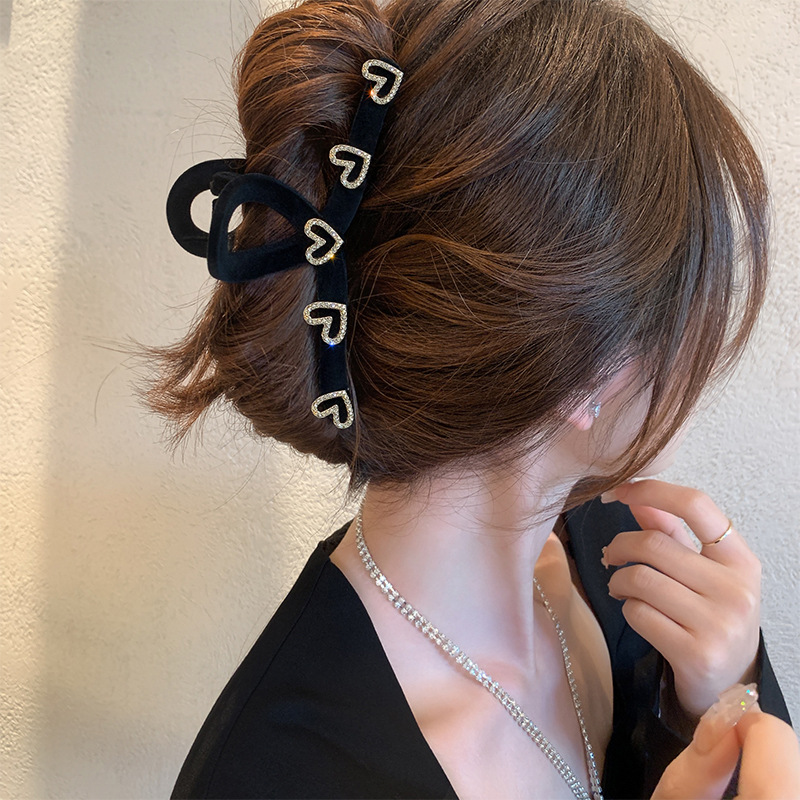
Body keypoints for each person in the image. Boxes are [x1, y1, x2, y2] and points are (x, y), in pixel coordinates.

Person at [149, 0, 797, 797]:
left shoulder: (625, 567)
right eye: (688, 315)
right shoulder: (279, 775)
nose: (701, 359)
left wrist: (716, 702)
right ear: (587, 374)